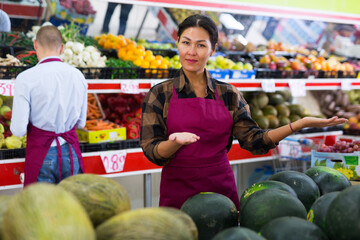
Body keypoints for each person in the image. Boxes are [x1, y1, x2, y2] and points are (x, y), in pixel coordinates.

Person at [140, 14, 347, 209]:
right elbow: (152, 151)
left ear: (213, 50)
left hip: (221, 191)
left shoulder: (229, 94)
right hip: (177, 194)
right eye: (186, 42)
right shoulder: (160, 94)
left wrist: (298, 124)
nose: (191, 52)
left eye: (201, 45)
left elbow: (255, 141)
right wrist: (174, 143)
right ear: (178, 44)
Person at [10, 25, 88, 187]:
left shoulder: (26, 78)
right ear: (62, 47)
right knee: (71, 206)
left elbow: (18, 130)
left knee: (43, 209)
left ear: (35, 44)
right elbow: (81, 124)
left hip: (41, 155)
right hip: (71, 152)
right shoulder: (78, 75)